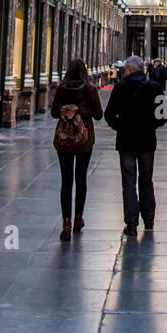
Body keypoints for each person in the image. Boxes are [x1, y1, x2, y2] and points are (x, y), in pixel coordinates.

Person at [104, 55, 162, 236]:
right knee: (146, 180)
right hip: (147, 141)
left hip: (126, 142)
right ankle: (149, 220)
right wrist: (152, 125)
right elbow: (165, 114)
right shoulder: (154, 88)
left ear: (128, 70)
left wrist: (120, 127)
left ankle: (131, 224)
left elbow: (109, 114)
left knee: (128, 182)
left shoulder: (120, 88)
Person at [50, 58, 103, 241]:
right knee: (81, 179)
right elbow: (98, 115)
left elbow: (54, 113)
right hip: (84, 140)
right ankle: (78, 219)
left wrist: (68, 113)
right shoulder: (90, 89)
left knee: (66, 181)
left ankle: (66, 223)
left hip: (64, 140)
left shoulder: (61, 88)